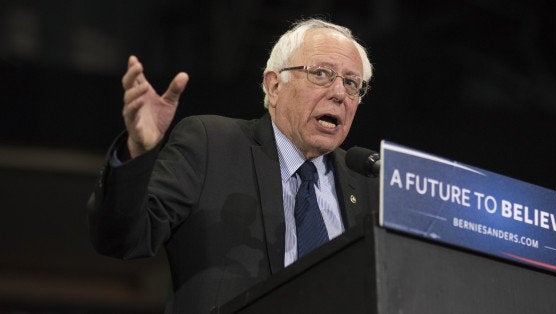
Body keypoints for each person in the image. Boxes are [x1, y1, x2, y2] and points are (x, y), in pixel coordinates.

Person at [87, 18, 378, 313]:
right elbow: (122, 238)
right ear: (274, 86)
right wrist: (137, 152)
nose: (340, 94)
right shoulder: (212, 145)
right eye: (321, 74)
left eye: (351, 83)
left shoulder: (366, 179)